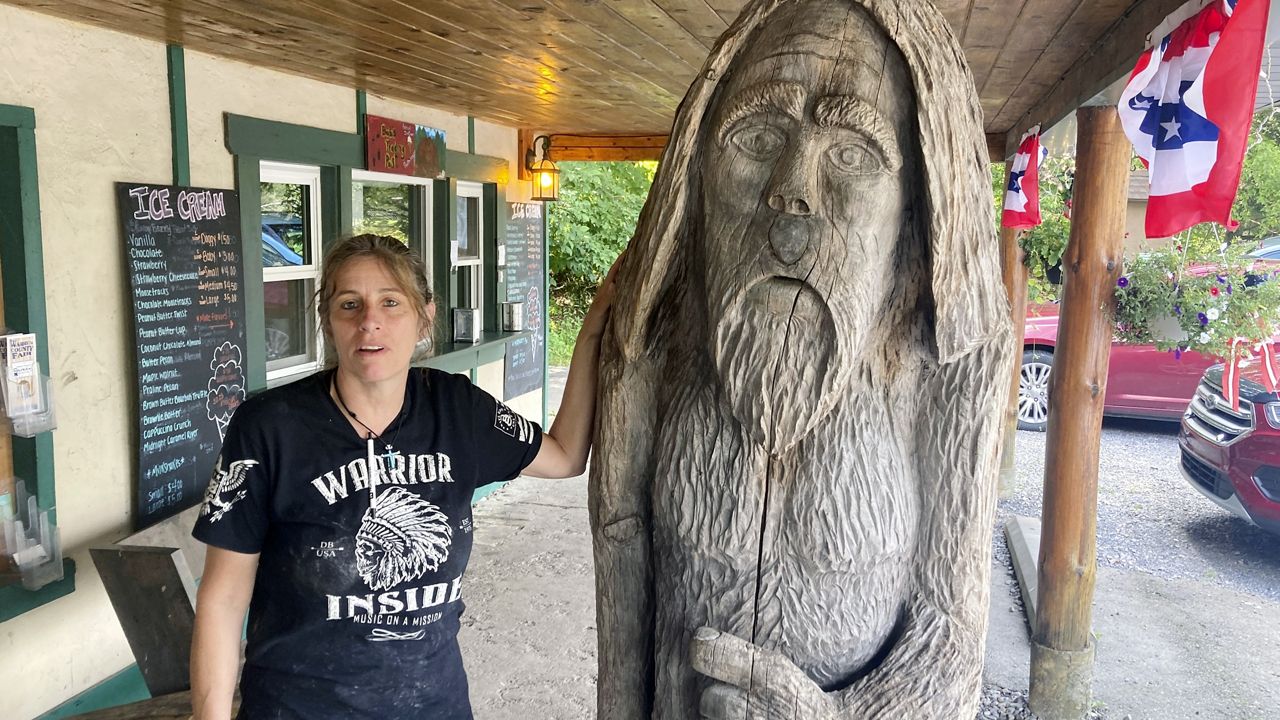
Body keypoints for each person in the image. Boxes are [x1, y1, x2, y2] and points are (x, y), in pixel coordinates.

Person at [191, 233, 616, 719]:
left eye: (391, 302)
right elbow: (223, 599)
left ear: (424, 317)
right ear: (328, 322)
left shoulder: (456, 408)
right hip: (298, 707)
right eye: (349, 304)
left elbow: (563, 456)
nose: (369, 321)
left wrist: (591, 334)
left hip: (432, 705)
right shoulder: (270, 426)